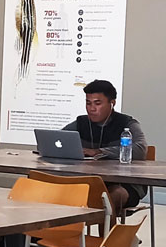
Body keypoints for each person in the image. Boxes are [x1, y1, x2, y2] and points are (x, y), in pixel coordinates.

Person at [62, 79, 147, 212]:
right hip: (89, 181)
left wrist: (99, 152)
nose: (91, 108)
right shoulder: (81, 123)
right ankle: (60, 231)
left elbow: (140, 150)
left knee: (112, 196)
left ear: (112, 103)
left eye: (97, 103)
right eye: (88, 103)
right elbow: (59, 139)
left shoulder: (126, 124)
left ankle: (108, 233)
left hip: (122, 183)